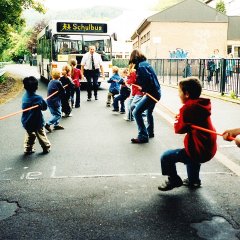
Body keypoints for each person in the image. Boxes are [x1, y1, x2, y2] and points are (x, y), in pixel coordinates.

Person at [158, 77, 217, 191]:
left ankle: (174, 179)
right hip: (207, 146)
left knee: (166, 157)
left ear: (186, 94)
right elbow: (191, 120)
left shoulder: (188, 108)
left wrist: (178, 119)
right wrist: (182, 118)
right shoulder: (200, 104)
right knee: (191, 156)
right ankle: (193, 180)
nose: (178, 94)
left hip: (199, 148)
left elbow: (179, 129)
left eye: (179, 91)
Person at [129, 49, 161, 144]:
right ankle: (150, 132)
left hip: (151, 94)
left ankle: (143, 136)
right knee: (149, 112)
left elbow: (147, 80)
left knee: (136, 112)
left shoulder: (141, 66)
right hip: (156, 92)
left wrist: (143, 88)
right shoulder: (146, 63)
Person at [21, 76, 51, 154]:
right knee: (41, 135)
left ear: (24, 87)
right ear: (37, 87)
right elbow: (44, 107)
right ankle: (46, 147)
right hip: (37, 121)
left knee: (30, 135)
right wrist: (41, 103)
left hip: (26, 121)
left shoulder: (24, 97)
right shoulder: (38, 98)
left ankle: (28, 149)